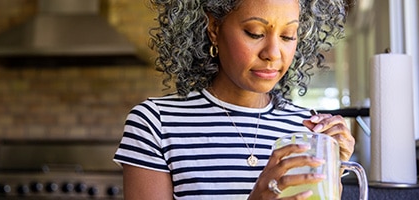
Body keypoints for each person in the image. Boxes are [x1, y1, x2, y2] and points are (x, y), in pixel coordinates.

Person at [113, 0, 353, 199]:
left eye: (288, 36)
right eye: (255, 33)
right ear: (214, 28)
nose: (272, 53)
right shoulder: (155, 123)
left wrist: (335, 165)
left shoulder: (309, 130)